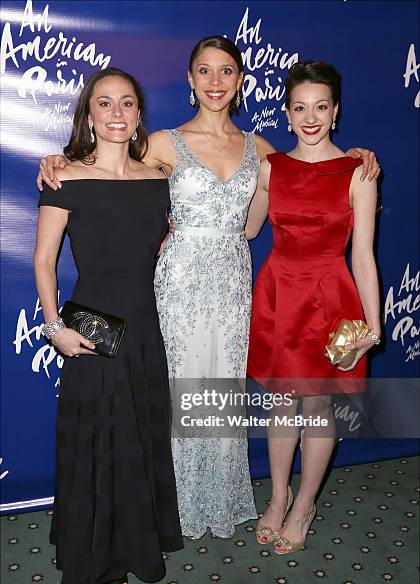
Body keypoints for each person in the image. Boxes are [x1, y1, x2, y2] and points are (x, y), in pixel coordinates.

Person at [36, 38, 379, 540]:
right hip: (177, 282)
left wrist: (357, 155)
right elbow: (105, 163)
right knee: (172, 392)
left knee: (221, 394)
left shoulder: (262, 152)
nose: (215, 81)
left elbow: (277, 206)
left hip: (235, 284)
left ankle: (220, 497)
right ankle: (165, 504)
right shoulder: (160, 143)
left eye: (226, 72)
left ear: (241, 82)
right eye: (204, 71)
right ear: (190, 80)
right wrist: (58, 161)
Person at [34, 67, 183, 584]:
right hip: (92, 326)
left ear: (139, 114)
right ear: (89, 115)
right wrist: (54, 327)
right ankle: (96, 556)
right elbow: (45, 261)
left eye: (127, 103)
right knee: (99, 441)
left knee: (136, 439)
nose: (116, 113)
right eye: (104, 103)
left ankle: (134, 545)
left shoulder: (161, 177)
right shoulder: (63, 177)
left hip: (144, 325)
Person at [246, 61, 381, 554]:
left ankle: (304, 506)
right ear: (285, 113)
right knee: (283, 403)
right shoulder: (270, 167)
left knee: (318, 406)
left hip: (330, 297)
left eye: (320, 107)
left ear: (335, 112)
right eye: (300, 107)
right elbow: (247, 229)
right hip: (280, 292)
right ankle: (278, 499)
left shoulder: (358, 172)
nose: (310, 116)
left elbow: (364, 254)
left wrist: (373, 323)